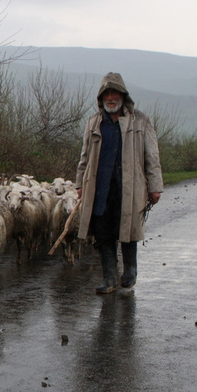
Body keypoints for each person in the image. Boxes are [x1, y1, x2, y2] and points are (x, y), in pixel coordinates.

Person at [75, 72, 163, 294]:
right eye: (107, 94)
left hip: (129, 187)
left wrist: (155, 186)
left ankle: (130, 270)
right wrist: (80, 184)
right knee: (103, 233)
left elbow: (152, 156)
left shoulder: (140, 121)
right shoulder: (94, 122)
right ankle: (109, 278)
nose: (111, 98)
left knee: (128, 229)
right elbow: (84, 157)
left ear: (123, 95)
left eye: (115, 93)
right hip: (100, 187)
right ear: (101, 97)